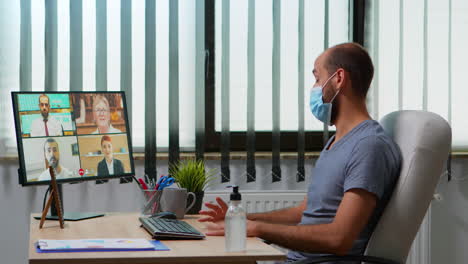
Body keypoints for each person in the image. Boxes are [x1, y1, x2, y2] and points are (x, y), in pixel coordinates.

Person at [199, 43, 402, 263]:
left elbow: (339, 239)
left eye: (317, 78)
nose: (314, 88)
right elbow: (303, 212)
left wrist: (257, 229)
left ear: (339, 78)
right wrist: (239, 219)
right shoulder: (337, 142)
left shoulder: (368, 146)